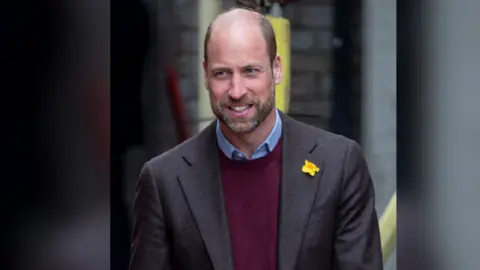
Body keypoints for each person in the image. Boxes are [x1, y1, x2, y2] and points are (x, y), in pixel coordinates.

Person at [129, 6, 383, 270]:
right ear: (205, 75)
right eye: (222, 73)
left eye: (250, 71)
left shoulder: (338, 166)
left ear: (276, 69)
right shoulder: (164, 181)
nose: (237, 91)